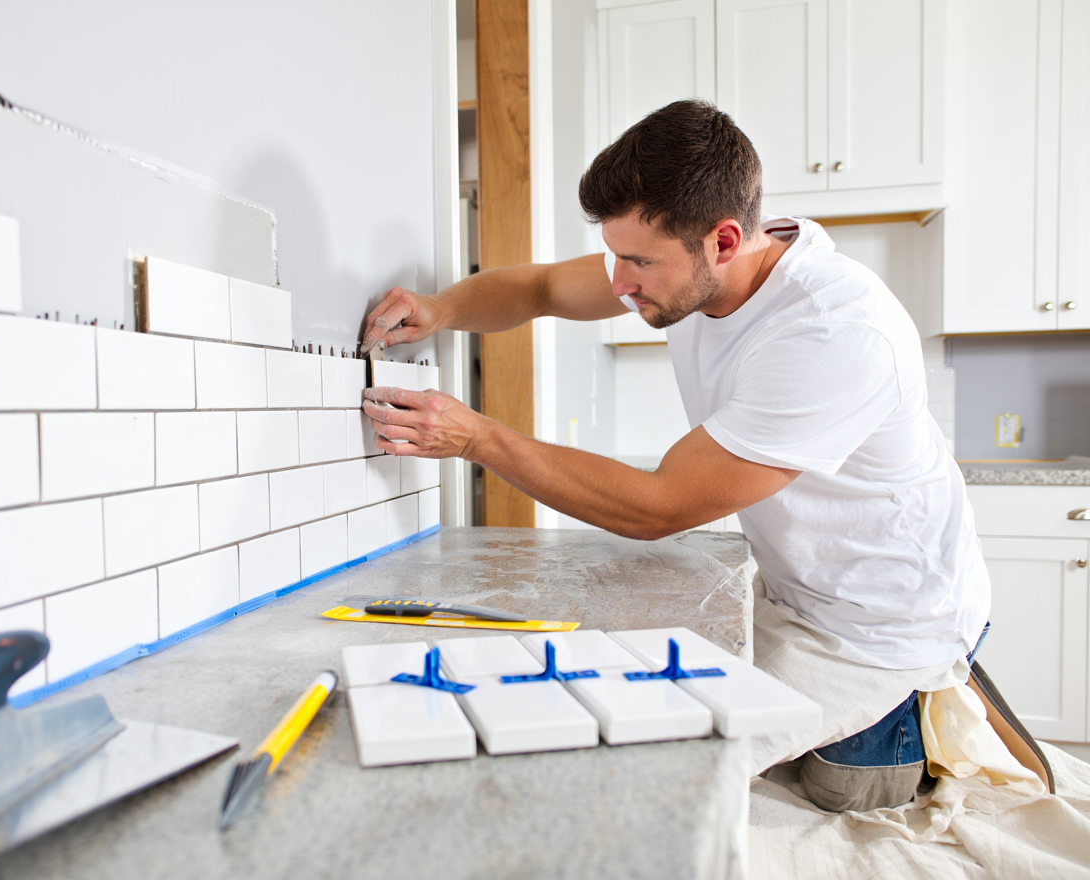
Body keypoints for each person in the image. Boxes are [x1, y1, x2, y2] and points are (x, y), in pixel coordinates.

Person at [358, 99, 991, 812]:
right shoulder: (685, 261)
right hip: (793, 591)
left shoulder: (832, 333)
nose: (619, 282)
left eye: (637, 262)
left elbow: (658, 508)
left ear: (723, 240)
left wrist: (478, 438)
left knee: (835, 799)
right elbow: (537, 288)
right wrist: (441, 310)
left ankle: (914, 706)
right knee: (669, 744)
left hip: (883, 624)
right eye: (616, 254)